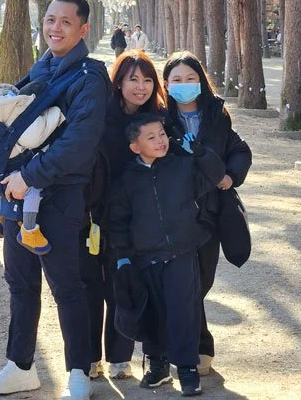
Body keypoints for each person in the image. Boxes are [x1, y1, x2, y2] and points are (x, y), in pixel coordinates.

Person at [0, 0, 111, 400]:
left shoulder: (89, 78)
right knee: (19, 283)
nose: (55, 28)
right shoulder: (40, 68)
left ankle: (78, 374)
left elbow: (79, 144)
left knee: (67, 286)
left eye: (65, 22)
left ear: (83, 29)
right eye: (50, 20)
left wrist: (29, 177)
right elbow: (18, 128)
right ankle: (19, 366)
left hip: (61, 196)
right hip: (18, 196)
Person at [109, 112, 226, 397]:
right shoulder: (126, 180)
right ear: (135, 146)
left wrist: (199, 152)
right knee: (153, 314)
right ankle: (158, 366)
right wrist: (123, 258)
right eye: (151, 137)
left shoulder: (181, 166)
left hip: (182, 254)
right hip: (145, 258)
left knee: (183, 311)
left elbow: (214, 175)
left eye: (162, 134)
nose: (160, 141)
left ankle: (187, 369)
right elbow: (118, 222)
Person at [162, 51, 252, 377]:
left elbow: (239, 149)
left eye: (190, 79)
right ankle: (198, 345)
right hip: (174, 214)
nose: (184, 85)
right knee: (187, 281)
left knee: (204, 279)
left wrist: (231, 175)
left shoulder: (216, 114)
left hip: (210, 213)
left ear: (200, 81)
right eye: (177, 80)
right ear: (166, 84)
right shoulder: (160, 118)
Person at [80, 50, 166, 381]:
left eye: (147, 80)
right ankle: (88, 357)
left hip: (137, 218)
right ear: (118, 83)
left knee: (124, 283)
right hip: (94, 212)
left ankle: (120, 357)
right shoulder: (100, 117)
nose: (140, 87)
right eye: (132, 79)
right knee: (90, 285)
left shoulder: (158, 120)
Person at [0, 81, 65, 253]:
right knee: (33, 189)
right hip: (12, 175)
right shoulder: (23, 124)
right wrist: (56, 111)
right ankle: (29, 230)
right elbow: (50, 121)